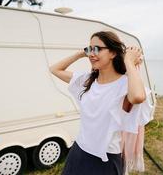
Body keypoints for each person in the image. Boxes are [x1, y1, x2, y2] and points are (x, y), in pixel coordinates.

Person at [49, 31, 154, 175]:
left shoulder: (125, 84)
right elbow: (54, 69)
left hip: (104, 160)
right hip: (78, 151)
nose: (92, 54)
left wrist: (128, 61)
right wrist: (81, 53)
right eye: (90, 49)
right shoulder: (87, 80)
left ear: (112, 53)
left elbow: (137, 97)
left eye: (97, 49)